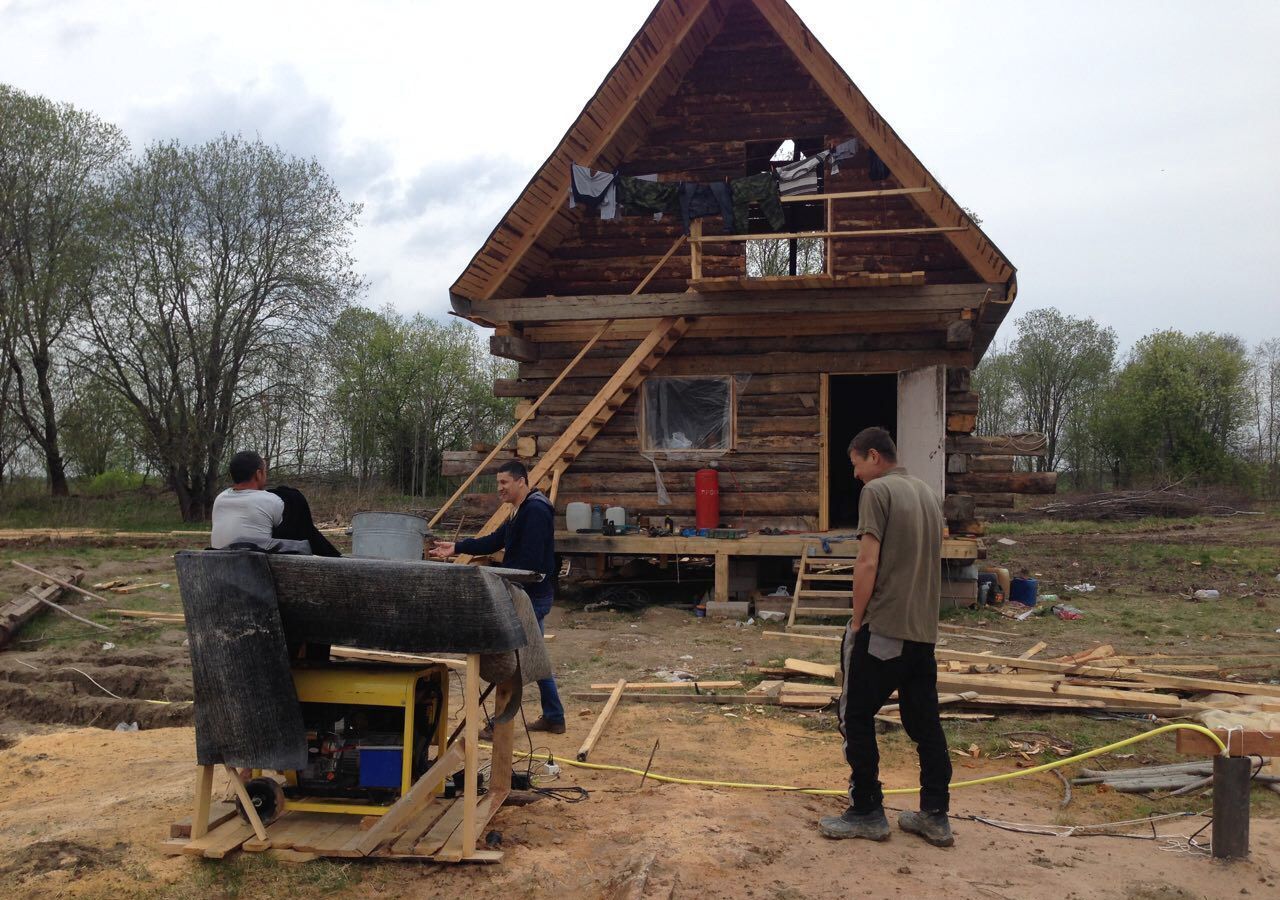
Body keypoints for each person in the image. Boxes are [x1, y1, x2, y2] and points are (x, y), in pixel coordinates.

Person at [818, 427, 953, 847]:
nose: (856, 475)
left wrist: (858, 622)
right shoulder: (928, 496)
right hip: (922, 633)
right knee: (926, 725)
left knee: (855, 716)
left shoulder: (876, 493)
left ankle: (867, 812)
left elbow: (867, 562)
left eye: (856, 464)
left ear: (874, 457)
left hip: (884, 630)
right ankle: (935, 814)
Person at [429, 460, 565, 735]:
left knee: (514, 658)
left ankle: (500, 724)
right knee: (533, 656)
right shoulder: (518, 511)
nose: (499, 488)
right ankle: (554, 716)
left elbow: (531, 562)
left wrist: (497, 576)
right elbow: (493, 541)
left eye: (504, 483)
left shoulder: (535, 511)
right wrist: (456, 547)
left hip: (531, 596)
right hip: (523, 592)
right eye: (498, 483)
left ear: (521, 482)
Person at [210, 451, 285, 549]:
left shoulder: (220, 499)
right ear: (258, 474)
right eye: (265, 471)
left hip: (217, 562)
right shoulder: (271, 501)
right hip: (254, 563)